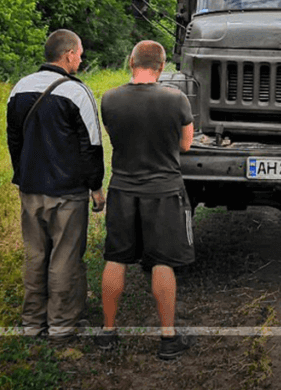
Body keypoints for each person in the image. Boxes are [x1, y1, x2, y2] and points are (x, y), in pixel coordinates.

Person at [94, 40, 196, 361]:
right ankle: (168, 338)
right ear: (162, 66)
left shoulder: (109, 99)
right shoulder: (176, 100)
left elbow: (115, 136)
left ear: (131, 62)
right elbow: (187, 145)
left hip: (123, 189)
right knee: (162, 262)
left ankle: (108, 333)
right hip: (164, 192)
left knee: (116, 258)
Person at [6, 29, 106, 344]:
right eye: (78, 53)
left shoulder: (18, 88)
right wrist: (96, 186)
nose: (81, 58)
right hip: (68, 193)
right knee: (64, 257)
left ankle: (32, 323)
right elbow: (92, 145)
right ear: (66, 56)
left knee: (35, 255)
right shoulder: (78, 92)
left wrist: (22, 175)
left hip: (31, 188)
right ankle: (62, 325)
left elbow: (14, 139)